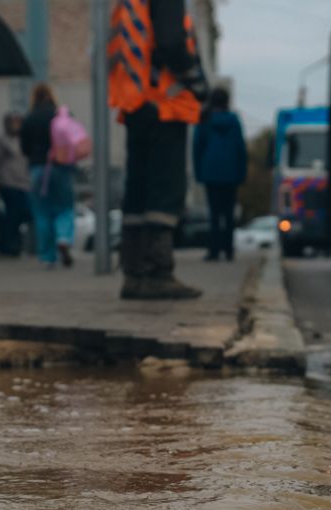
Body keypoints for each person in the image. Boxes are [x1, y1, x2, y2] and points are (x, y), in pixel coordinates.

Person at [109, 0, 208, 299]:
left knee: (138, 192)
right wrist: (198, 85)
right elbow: (172, 44)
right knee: (165, 191)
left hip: (137, 104)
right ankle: (158, 272)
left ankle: (134, 273)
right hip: (164, 105)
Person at [20, 84, 75, 269]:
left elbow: (24, 148)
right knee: (64, 207)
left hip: (38, 168)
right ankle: (63, 237)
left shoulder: (30, 118)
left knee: (42, 212)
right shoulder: (61, 115)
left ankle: (47, 256)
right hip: (61, 167)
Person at [193, 87, 247, 262]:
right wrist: (241, 173)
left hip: (211, 173)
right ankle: (229, 250)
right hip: (231, 174)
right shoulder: (234, 121)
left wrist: (199, 172)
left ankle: (214, 251)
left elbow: (197, 148)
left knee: (214, 214)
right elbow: (240, 148)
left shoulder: (205, 120)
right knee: (229, 214)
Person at [0, 113, 33, 258]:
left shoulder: (24, 139)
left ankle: (16, 243)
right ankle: (9, 245)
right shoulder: (2, 140)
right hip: (8, 182)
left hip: (24, 182)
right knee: (10, 215)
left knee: (22, 213)